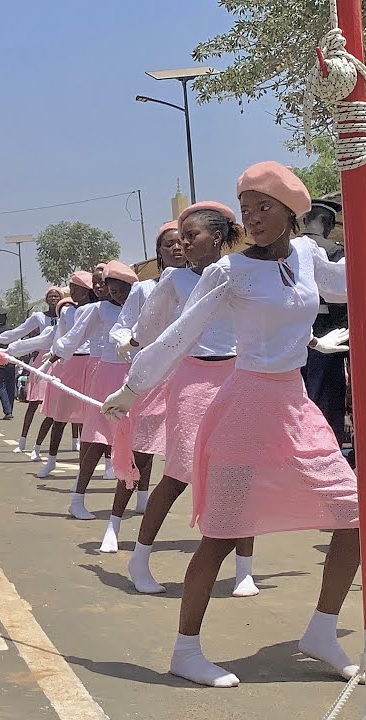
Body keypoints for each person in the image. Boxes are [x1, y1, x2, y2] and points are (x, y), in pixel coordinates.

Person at [102, 161, 366, 687]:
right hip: (246, 405)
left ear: (292, 211)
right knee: (223, 533)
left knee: (355, 512)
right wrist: (133, 387)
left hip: (296, 406)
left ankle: (321, 630)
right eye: (247, 210)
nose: (254, 218)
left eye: (264, 208)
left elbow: (346, 286)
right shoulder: (229, 272)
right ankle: (185, 650)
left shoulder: (309, 256)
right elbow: (180, 334)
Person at [114, 203, 256, 595]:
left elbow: (262, 322)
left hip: (239, 377)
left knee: (239, 473)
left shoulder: (241, 272)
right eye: (179, 238)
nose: (183, 245)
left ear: (217, 237)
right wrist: (132, 361)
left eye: (191, 237)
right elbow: (149, 330)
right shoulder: (174, 280)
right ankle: (139, 559)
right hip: (193, 379)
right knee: (178, 475)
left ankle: (244, 568)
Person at [38, 262, 137, 519]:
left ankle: (142, 495)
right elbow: (74, 337)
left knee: (138, 438)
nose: (116, 294)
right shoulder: (98, 309)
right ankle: (78, 497)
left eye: (121, 289)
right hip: (106, 376)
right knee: (96, 438)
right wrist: (53, 357)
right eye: (111, 289)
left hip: (136, 376)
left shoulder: (141, 306)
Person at [106, 222, 187, 530]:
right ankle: (114, 523)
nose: (178, 247)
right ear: (159, 252)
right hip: (153, 375)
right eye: (170, 244)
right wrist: (125, 341)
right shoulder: (144, 288)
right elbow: (123, 326)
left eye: (183, 241)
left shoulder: (204, 280)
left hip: (190, 373)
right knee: (141, 450)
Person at [300, 198, 350, 447]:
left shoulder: (288, 248)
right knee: (326, 398)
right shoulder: (334, 250)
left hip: (294, 333)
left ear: (304, 220)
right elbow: (341, 295)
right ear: (329, 224)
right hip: (328, 331)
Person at [0, 287, 65, 453]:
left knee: (63, 402)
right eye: (50, 296)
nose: (54, 299)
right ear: (46, 299)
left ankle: (74, 441)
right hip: (42, 359)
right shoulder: (39, 317)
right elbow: (20, 332)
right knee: (34, 403)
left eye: (57, 296)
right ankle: (22, 440)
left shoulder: (68, 315)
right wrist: (1, 341)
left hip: (63, 359)